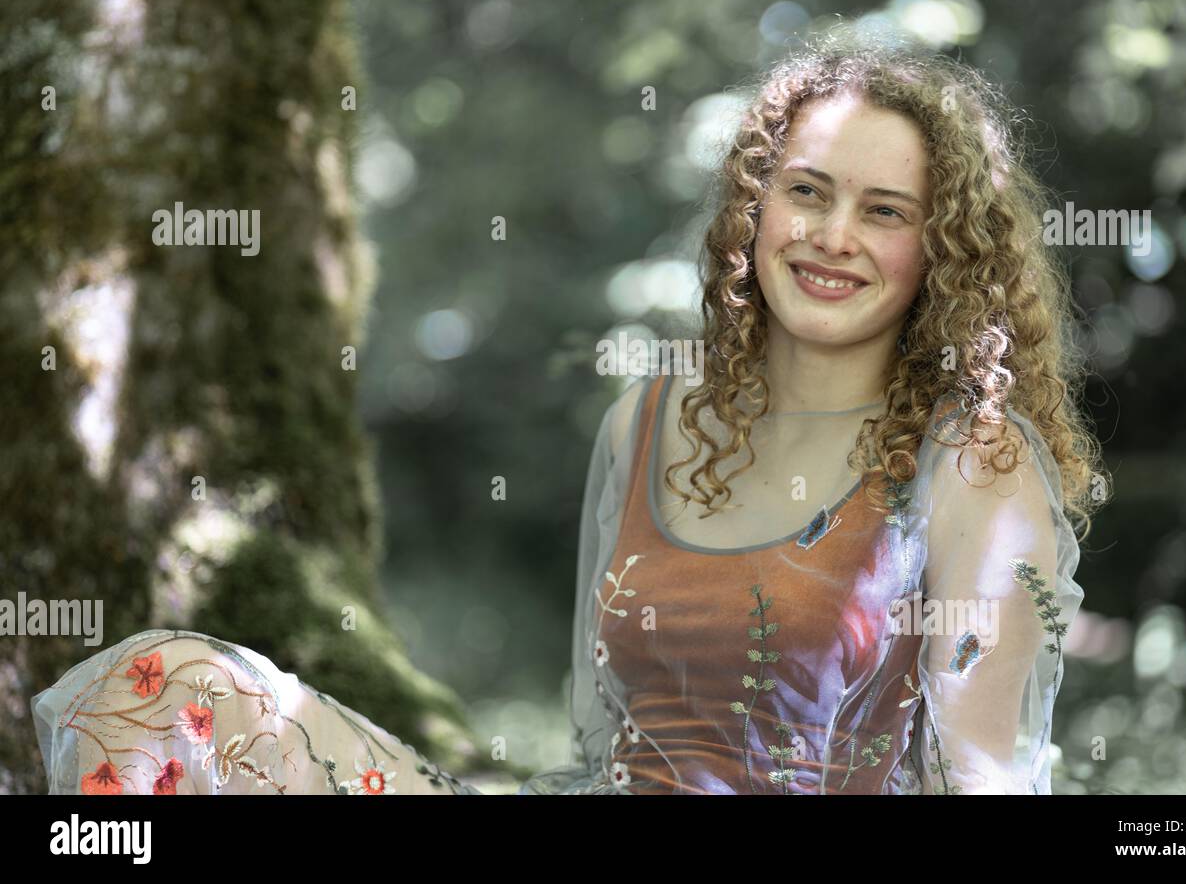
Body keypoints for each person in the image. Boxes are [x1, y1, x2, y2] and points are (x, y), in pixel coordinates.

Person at [30, 40, 1103, 795]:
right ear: (755, 206)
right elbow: (602, 741)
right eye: (807, 192)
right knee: (160, 684)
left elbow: (985, 773)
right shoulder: (645, 424)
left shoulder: (972, 462)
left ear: (939, 253)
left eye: (884, 211)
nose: (832, 235)